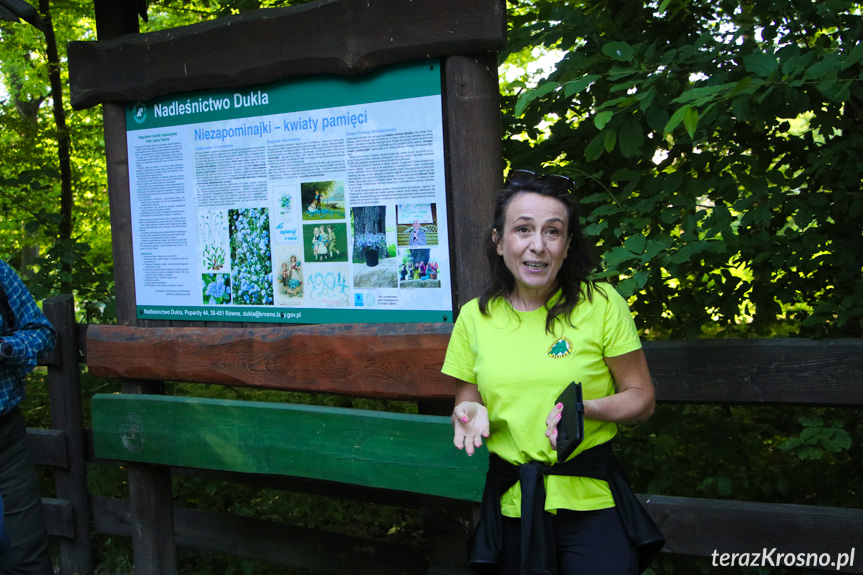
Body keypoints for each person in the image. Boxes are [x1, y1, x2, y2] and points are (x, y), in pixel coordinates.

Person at [441, 170, 663, 575]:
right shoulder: (475, 317)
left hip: (592, 503)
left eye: (553, 232)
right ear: (499, 241)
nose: (537, 246)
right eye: (523, 229)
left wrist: (585, 410)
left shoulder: (601, 304)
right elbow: (467, 397)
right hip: (512, 505)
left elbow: (642, 397)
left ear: (567, 244)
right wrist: (470, 412)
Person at [0, 259, 56, 575]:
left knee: (27, 556)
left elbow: (43, 333)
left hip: (6, 440)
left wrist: (6, 348)